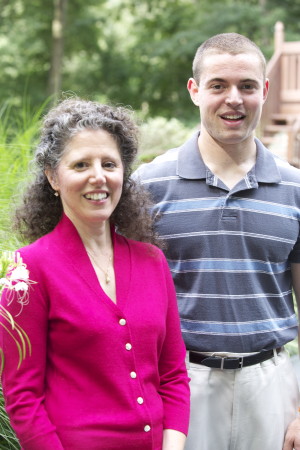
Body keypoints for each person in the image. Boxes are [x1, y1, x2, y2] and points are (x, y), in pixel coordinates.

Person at [134, 33, 300, 450]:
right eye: (218, 85)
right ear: (195, 91)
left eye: (246, 86)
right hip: (180, 385)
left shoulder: (295, 189)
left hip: (272, 385)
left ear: (264, 90)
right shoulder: (147, 186)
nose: (234, 99)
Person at [0, 98, 190, 450]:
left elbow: (174, 374)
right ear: (53, 177)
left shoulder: (152, 262)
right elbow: (23, 398)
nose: (98, 176)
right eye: (81, 164)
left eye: (109, 163)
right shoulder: (26, 274)